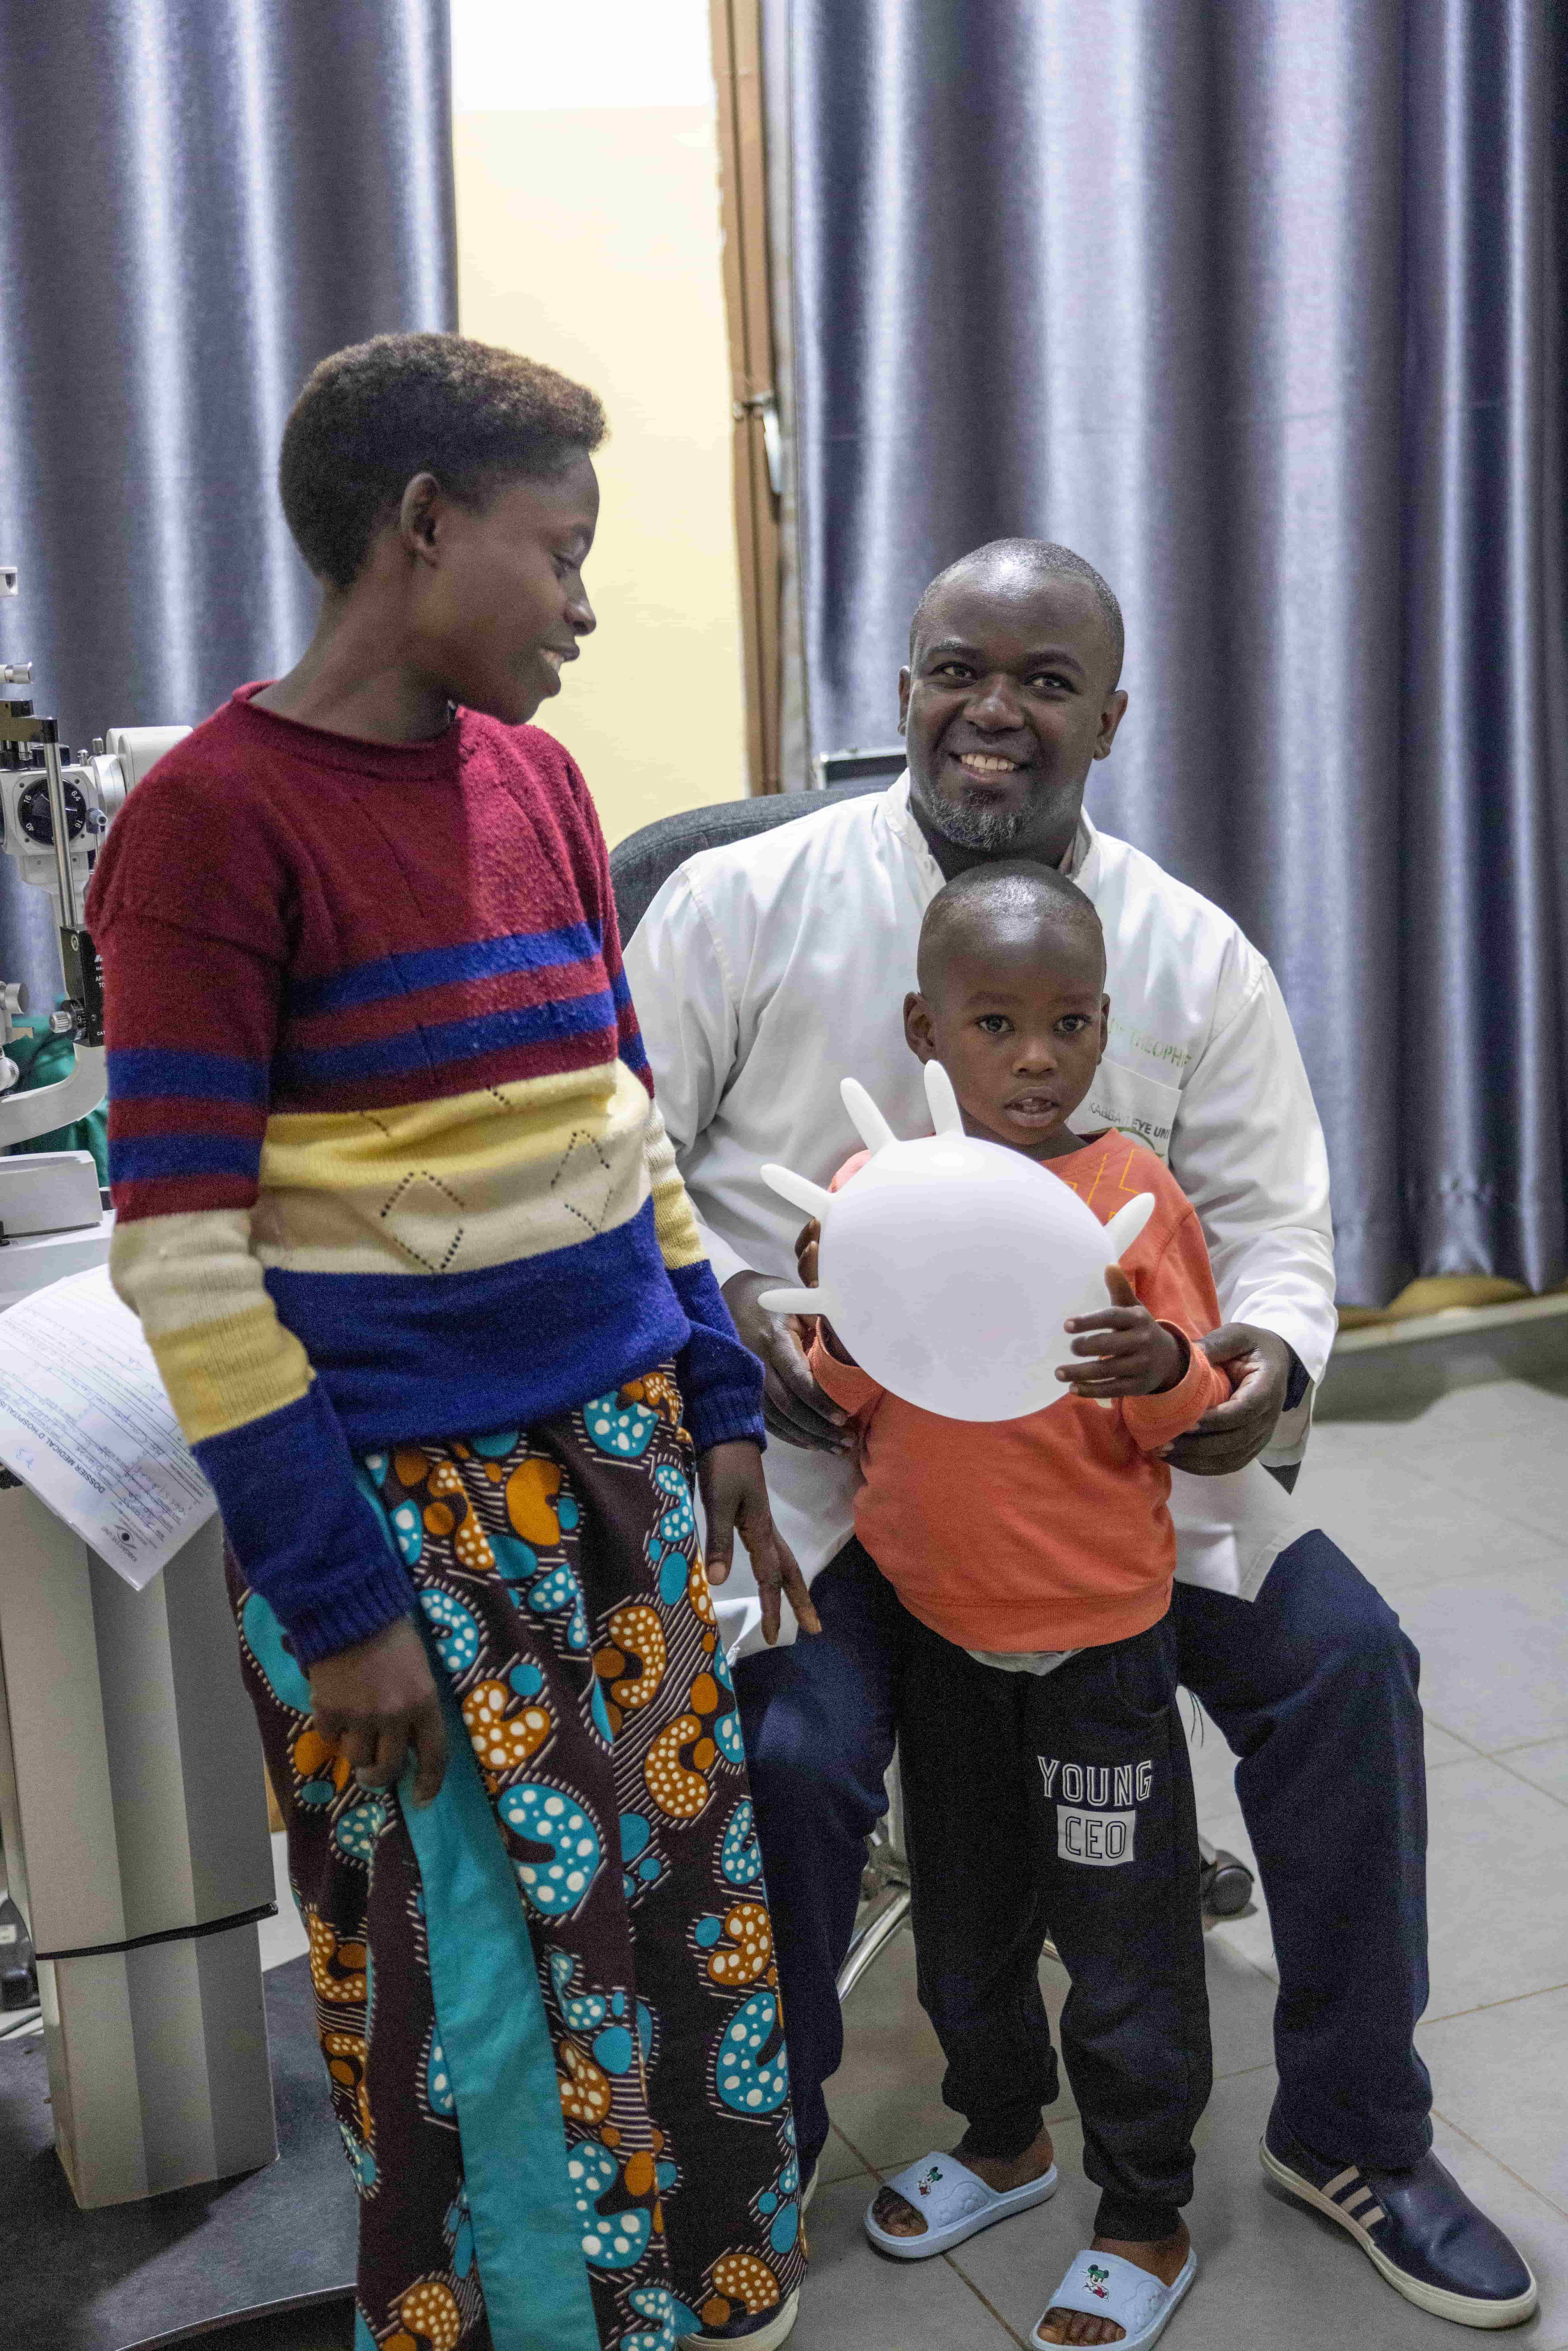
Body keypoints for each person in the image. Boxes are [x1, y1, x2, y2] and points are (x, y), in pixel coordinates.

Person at [622, 537, 1539, 2330]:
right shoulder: (741, 904)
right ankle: (760, 2142)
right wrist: (717, 1320)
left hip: (1109, 1483)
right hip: (829, 1468)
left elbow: (1275, 1234)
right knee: (796, 1759)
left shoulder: (1185, 954)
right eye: (958, 667)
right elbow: (622, 1158)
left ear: (1108, 716)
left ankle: (1350, 2127)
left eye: (1046, 682)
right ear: (897, 687)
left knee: (1345, 1665)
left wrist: (1253, 1376)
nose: (993, 711)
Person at [86, 332, 816, 2351]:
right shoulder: (212, 831)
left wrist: (712, 1389)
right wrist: (337, 1601)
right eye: (559, 549)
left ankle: (684, 2297)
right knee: (479, 1979)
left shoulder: (542, 783)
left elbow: (619, 1114)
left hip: (623, 1468)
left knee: (670, 1917)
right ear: (421, 529)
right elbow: (188, 1262)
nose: (586, 601)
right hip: (408, 1536)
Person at [806, 861, 1228, 2348]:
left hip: (1100, 1642)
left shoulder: (1130, 1196)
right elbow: (848, 1394)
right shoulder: (876, 1191)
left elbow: (1189, 1412)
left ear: (1104, 1028)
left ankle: (1142, 2208)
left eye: (1066, 1023)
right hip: (937, 1633)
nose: (1035, 1056)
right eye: (995, 1023)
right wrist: (826, 1307)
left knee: (1121, 1944)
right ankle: (1001, 2138)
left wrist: (1165, 1372)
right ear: (928, 1029)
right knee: (965, 1926)